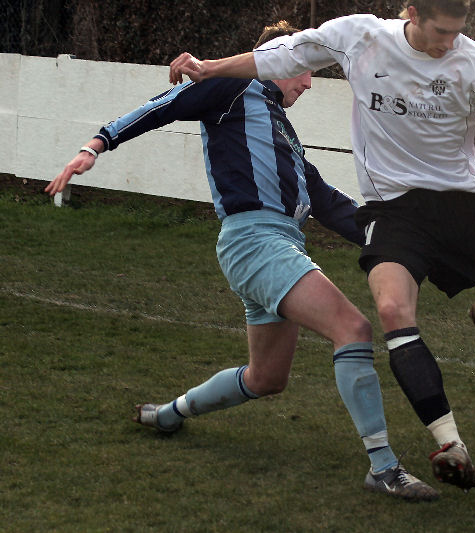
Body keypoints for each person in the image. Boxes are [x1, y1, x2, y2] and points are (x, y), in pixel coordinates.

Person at [167, 0, 475, 493]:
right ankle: (449, 444)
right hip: (393, 210)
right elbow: (283, 54)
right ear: (411, 12)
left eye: (457, 33)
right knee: (391, 310)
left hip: (462, 212)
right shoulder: (361, 38)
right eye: (440, 32)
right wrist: (208, 68)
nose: (448, 43)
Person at [45, 21, 440, 503]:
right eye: (306, 71)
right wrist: (96, 145)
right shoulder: (233, 87)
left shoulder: (284, 133)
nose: (309, 82)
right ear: (282, 61)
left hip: (276, 246)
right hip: (255, 243)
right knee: (353, 329)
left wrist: (404, 243)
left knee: (266, 378)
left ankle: (168, 414)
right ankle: (383, 467)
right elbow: (163, 107)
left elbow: (334, 207)